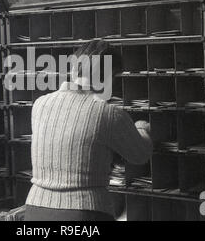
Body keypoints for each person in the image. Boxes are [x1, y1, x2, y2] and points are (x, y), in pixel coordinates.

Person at [24, 39, 153, 221]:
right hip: (84, 213)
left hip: (36, 210)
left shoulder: (40, 104)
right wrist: (142, 128)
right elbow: (140, 154)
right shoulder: (107, 113)